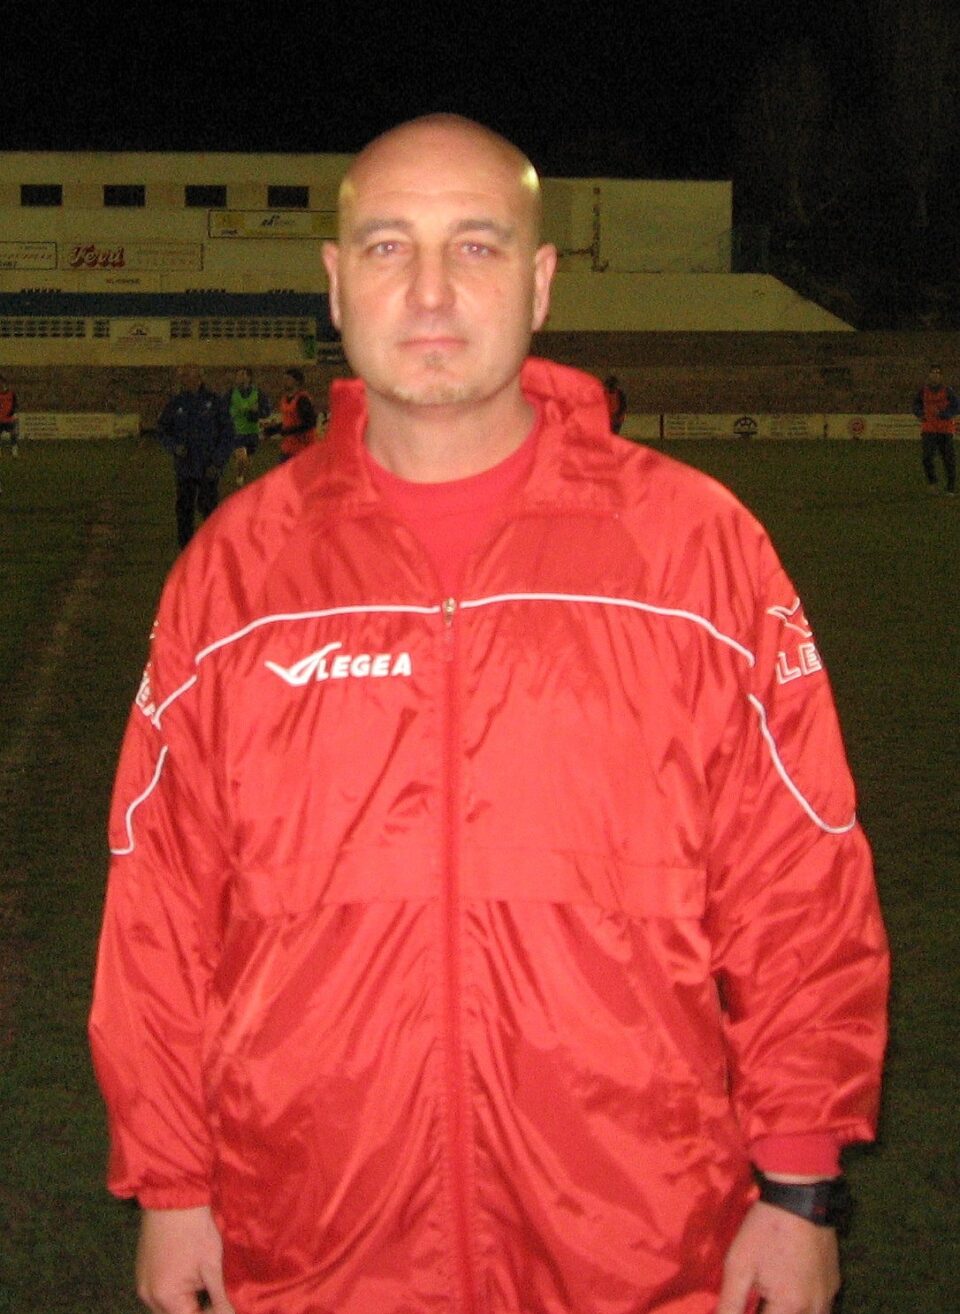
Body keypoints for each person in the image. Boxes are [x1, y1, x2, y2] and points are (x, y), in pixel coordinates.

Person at [89, 115, 888, 1314]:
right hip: (310, 1238)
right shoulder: (236, 573)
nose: (427, 290)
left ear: (541, 279)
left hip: (636, 1240)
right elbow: (157, 908)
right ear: (333, 281)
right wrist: (170, 1184)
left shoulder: (697, 551)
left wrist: (800, 1185)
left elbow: (801, 888)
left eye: (475, 246)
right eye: (385, 246)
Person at [156, 365, 235, 549]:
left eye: (188, 377)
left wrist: (218, 461)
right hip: (185, 468)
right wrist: (174, 447)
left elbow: (228, 434)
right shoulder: (176, 403)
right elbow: (161, 429)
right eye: (183, 377)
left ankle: (211, 547)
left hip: (208, 467)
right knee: (184, 511)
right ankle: (186, 549)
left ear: (199, 378)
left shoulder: (214, 402)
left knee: (209, 509)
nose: (185, 380)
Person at [912, 362, 957, 495]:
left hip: (945, 429)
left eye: (938, 373)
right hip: (929, 429)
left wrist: (945, 414)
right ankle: (932, 483)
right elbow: (916, 404)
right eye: (933, 373)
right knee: (927, 458)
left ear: (941, 376)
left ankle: (950, 487)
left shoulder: (948, 390)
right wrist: (920, 414)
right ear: (929, 375)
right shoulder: (923, 390)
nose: (935, 375)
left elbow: (956, 406)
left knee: (948, 459)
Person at [226, 366, 270, 487]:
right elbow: (222, 410)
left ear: (249, 377)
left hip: (252, 432)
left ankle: (244, 480)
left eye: (243, 374)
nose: (240, 377)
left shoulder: (258, 393)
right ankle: (239, 478)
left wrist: (256, 412)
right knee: (242, 457)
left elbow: (267, 411)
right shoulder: (231, 393)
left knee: (248, 461)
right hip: (236, 432)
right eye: (238, 374)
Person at [261, 366, 318, 459]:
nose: (284, 381)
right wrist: (273, 430)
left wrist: (288, 431)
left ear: (297, 382)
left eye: (288, 379)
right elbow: (289, 422)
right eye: (284, 379)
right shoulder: (284, 399)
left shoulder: (302, 399)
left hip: (303, 448)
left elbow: (310, 423)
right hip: (289, 447)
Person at [0, 371, 20, 456]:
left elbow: (15, 405)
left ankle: (14, 450)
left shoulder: (11, 394)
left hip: (9, 419)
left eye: (2, 383)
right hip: (0, 419)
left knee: (13, 434)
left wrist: (14, 413)